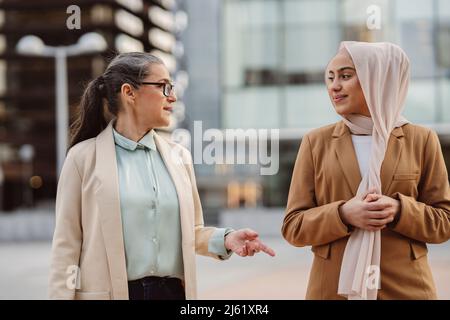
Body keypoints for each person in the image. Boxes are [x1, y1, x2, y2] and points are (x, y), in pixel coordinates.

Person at [49, 52, 275, 300]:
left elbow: (192, 231)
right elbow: (66, 248)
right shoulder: (82, 158)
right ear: (129, 93)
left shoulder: (179, 157)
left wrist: (227, 239)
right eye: (163, 87)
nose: (173, 97)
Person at [282, 41, 450, 300]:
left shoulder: (421, 140)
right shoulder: (316, 143)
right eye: (330, 77)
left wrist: (399, 210)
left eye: (346, 76)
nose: (334, 86)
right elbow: (293, 227)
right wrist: (343, 214)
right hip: (333, 290)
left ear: (377, 78)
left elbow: (444, 222)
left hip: (406, 289)